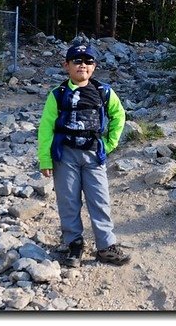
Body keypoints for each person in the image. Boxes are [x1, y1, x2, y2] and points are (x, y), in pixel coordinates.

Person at [37, 42, 130, 267]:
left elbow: (119, 115)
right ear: (66, 65)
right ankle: (73, 244)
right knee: (68, 201)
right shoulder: (57, 95)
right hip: (64, 155)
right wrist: (45, 159)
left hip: (93, 155)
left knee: (100, 200)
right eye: (77, 61)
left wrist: (109, 144)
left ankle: (106, 246)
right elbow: (46, 128)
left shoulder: (103, 92)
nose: (83, 65)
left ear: (94, 66)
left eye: (88, 61)